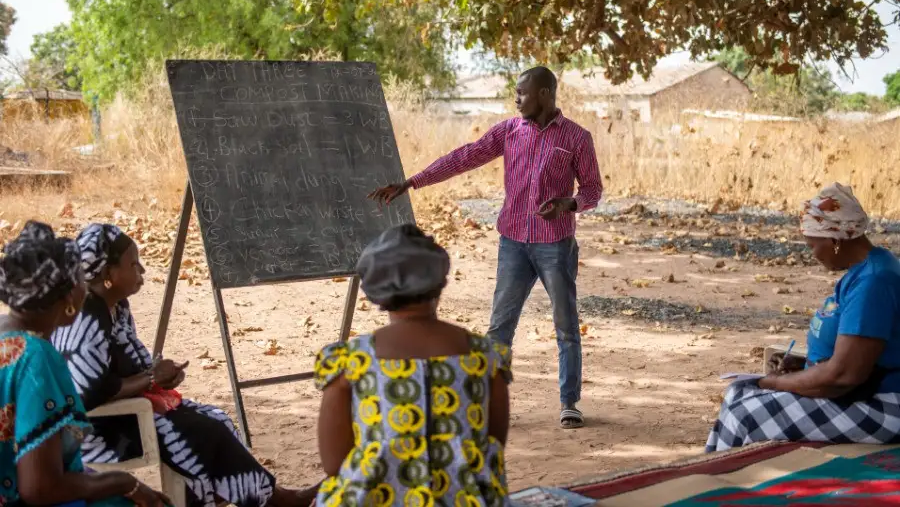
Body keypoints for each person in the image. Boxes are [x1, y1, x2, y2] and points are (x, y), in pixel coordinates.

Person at [370, 66, 602, 429]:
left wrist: (567, 204)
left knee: (566, 325)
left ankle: (569, 402)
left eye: (522, 93)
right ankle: (488, 402)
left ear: (544, 94)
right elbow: (465, 157)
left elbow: (592, 190)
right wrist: (412, 182)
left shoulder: (576, 137)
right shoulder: (509, 131)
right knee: (500, 326)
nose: (516, 99)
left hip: (555, 245)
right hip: (513, 243)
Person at [51, 223, 319, 507]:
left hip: (132, 410)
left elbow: (126, 365)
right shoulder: (88, 316)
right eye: (133, 264)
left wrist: (157, 376)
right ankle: (274, 500)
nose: (141, 271)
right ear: (108, 275)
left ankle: (263, 497)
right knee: (206, 432)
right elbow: (87, 393)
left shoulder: (115, 305)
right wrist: (151, 379)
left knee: (219, 420)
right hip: (101, 429)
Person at [313, 224, 512, 507]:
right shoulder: (486, 357)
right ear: (440, 282)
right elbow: (493, 446)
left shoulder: (350, 361)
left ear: (374, 292)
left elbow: (334, 464)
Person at [707, 183, 900, 451]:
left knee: (746, 415)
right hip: (861, 393)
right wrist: (805, 364)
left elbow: (843, 376)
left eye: (812, 246)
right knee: (737, 393)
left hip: (884, 406)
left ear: (834, 241)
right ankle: (711, 472)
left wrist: (774, 382)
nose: (812, 255)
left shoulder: (874, 282)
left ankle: (716, 484)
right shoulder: (866, 272)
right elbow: (857, 355)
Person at [0, 221, 168, 507]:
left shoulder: (6, 333)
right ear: (68, 297)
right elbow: (40, 488)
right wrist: (126, 482)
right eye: (81, 280)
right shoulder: (36, 358)